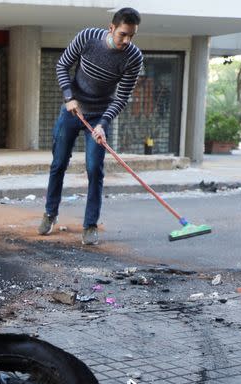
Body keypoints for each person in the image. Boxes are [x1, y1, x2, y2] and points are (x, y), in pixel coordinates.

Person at [38, 7, 144, 245]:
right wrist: (69, 97)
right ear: (111, 28)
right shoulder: (87, 38)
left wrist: (103, 124)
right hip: (72, 109)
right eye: (123, 34)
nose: (127, 41)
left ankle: (90, 225)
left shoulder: (133, 57)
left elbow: (121, 97)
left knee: (95, 169)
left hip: (99, 116)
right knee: (58, 163)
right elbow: (62, 66)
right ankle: (50, 213)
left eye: (131, 36)